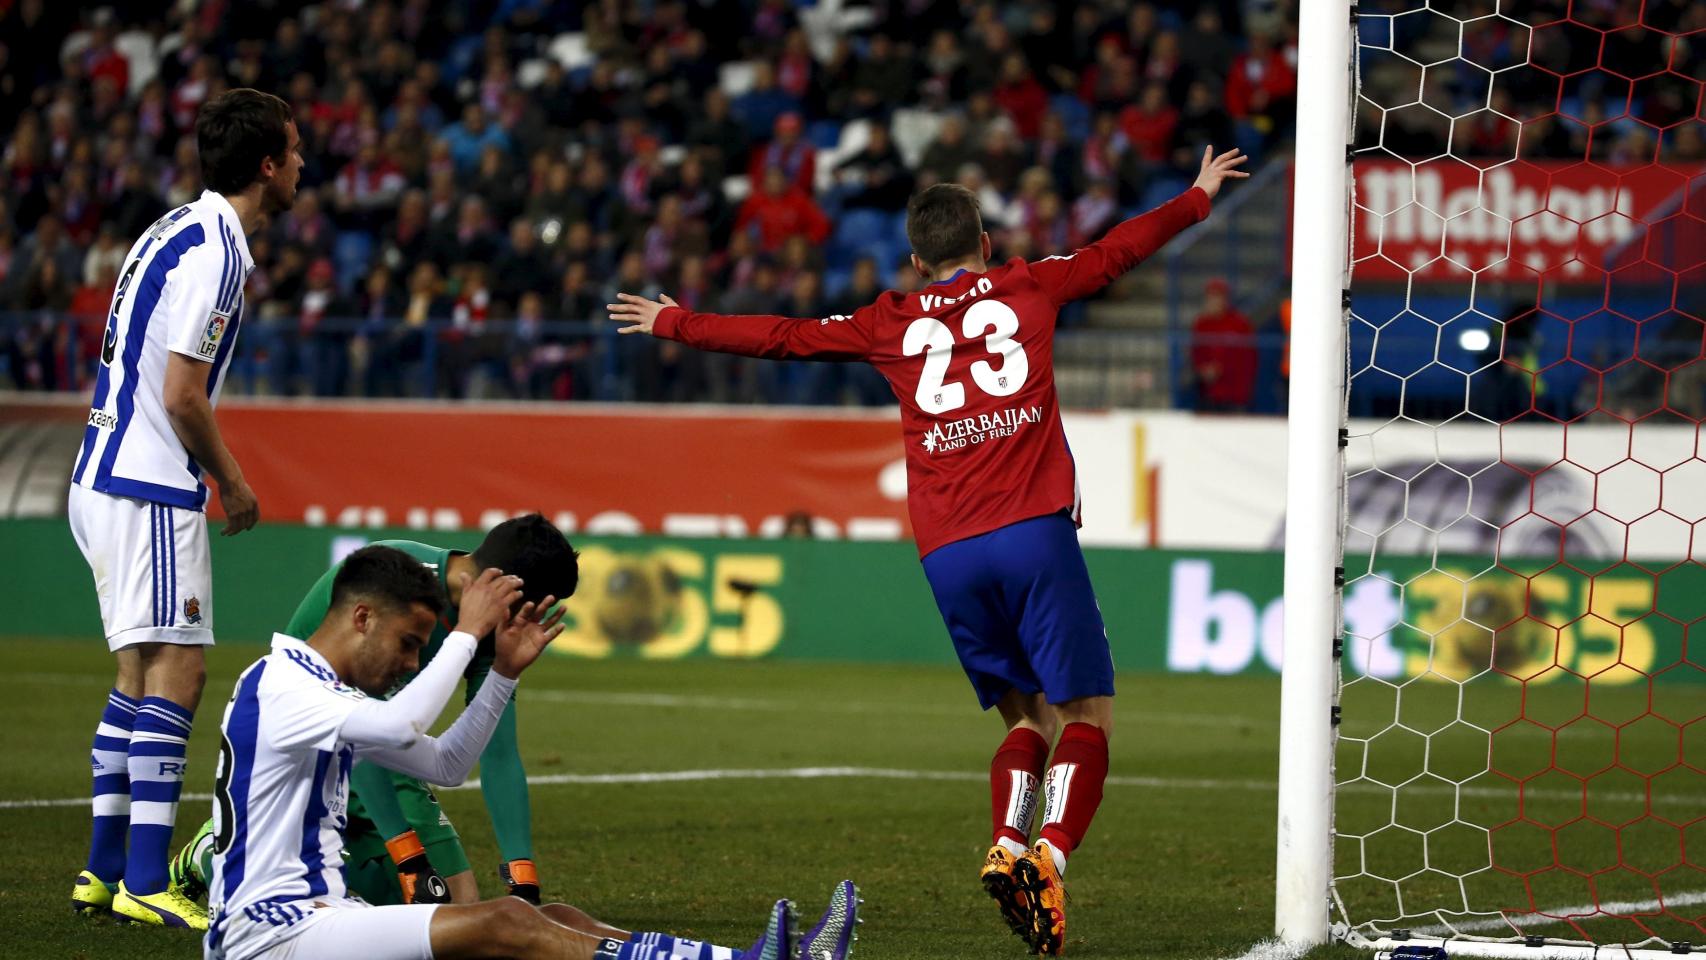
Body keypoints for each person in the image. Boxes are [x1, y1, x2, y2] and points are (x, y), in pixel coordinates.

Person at [612, 146, 1249, 955]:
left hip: (949, 552)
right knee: (1087, 712)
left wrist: (675, 321)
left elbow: (783, 336)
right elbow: (1116, 250)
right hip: (1032, 532)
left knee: (1025, 714)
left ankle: (1007, 847)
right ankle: (1047, 856)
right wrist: (1195, 196)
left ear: (916, 261)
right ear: (986, 242)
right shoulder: (1030, 284)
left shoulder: (888, 321)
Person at [201, 545, 858, 960]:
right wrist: (466, 632)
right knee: (506, 924)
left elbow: (445, 766)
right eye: (408, 644)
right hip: (272, 935)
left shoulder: (309, 689)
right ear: (362, 617)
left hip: (324, 921)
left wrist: (504, 674)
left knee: (550, 919)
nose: (409, 664)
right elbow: (404, 728)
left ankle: (742, 957)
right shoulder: (283, 684)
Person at [68, 88, 302, 930]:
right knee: (181, 670)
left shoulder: (173, 227)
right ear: (268, 164)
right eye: (296, 151)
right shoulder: (220, 254)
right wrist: (232, 484)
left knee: (136, 677)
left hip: (98, 473)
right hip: (149, 484)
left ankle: (101, 873)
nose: (305, 164)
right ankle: (143, 880)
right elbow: (183, 395)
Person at [174, 514, 579, 908]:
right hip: (313, 744)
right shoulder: (390, 585)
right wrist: (406, 852)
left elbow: (469, 759)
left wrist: (521, 878)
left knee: (454, 903)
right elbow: (382, 728)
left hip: (368, 737)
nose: (412, 664)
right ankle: (216, 852)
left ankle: (330, 870)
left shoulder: (485, 627)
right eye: (408, 645)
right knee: (434, 900)